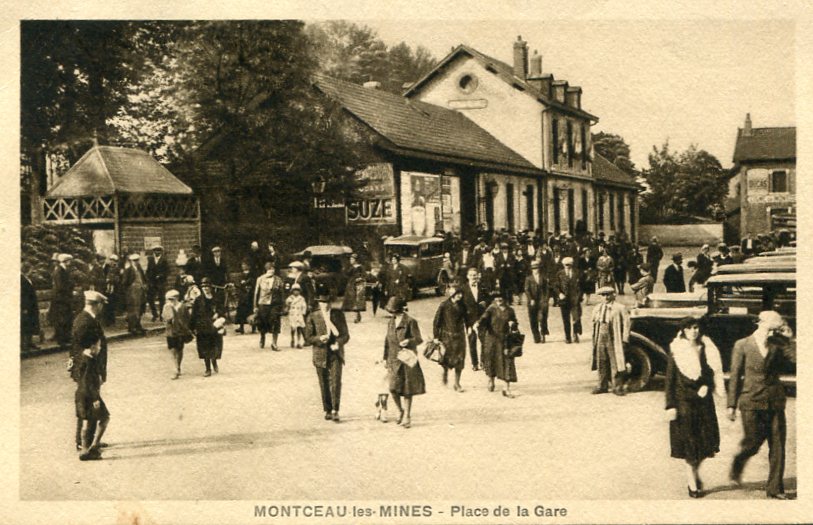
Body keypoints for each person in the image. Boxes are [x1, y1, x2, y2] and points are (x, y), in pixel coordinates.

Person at [727, 311, 796, 499]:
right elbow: (735, 375)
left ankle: (775, 488)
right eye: (778, 319)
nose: (781, 321)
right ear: (764, 322)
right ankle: (738, 462)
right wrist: (731, 404)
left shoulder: (779, 343)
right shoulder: (742, 344)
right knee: (753, 442)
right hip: (751, 400)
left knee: (778, 444)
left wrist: (790, 340)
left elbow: (797, 360)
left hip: (775, 400)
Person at [665, 316, 723, 498]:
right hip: (684, 403)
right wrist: (670, 405)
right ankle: (692, 482)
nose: (693, 331)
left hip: (703, 402)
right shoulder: (677, 350)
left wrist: (707, 385)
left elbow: (710, 371)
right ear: (683, 331)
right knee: (689, 442)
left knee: (705, 442)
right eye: (689, 328)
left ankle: (695, 473)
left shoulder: (706, 348)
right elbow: (670, 380)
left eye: (696, 327)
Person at [71, 291, 109, 460]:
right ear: (97, 304)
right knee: (90, 405)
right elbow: (82, 346)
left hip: (89, 366)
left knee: (86, 405)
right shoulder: (85, 321)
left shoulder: (86, 318)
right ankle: (84, 444)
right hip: (88, 367)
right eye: (101, 305)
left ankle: (85, 441)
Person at [305, 284, 350, 422]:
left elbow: (345, 335)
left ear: (330, 302)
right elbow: (308, 337)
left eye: (327, 302)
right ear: (318, 303)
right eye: (322, 302)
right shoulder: (313, 316)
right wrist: (319, 338)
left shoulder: (338, 314)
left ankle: (336, 410)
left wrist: (339, 343)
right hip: (320, 354)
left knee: (336, 381)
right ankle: (328, 409)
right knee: (323, 383)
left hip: (335, 353)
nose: (325, 305)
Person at [383, 296, 425, 428]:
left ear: (400, 309)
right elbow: (387, 341)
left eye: (394, 311)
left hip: (407, 359)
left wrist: (409, 341)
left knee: (407, 389)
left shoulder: (411, 321)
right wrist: (385, 357)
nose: (392, 313)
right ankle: (400, 410)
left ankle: (407, 415)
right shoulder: (391, 322)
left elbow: (418, 339)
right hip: (393, 358)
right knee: (392, 388)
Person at [477, 290, 519, 397]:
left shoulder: (510, 310)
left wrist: (513, 324)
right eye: (496, 298)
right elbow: (483, 319)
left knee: (507, 363)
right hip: (491, 339)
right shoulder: (491, 309)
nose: (499, 300)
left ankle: (506, 388)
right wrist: (478, 324)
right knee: (491, 361)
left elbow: (515, 324)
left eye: (501, 297)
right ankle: (491, 380)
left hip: (505, 340)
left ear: (505, 298)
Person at [590, 287, 630, 396]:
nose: (606, 297)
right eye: (603, 295)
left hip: (613, 336)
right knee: (601, 360)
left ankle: (617, 387)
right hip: (600, 335)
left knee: (615, 362)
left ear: (613, 295)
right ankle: (602, 385)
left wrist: (625, 339)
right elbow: (594, 323)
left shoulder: (620, 308)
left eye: (608, 295)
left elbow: (626, 325)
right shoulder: (597, 308)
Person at [432, 285, 467, 392]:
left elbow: (467, 319)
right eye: (457, 294)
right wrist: (436, 337)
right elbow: (436, 322)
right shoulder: (444, 305)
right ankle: (445, 372)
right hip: (447, 337)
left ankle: (457, 383)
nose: (459, 296)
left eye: (461, 294)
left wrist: (469, 327)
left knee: (460, 360)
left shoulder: (462, 305)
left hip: (460, 336)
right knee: (446, 359)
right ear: (452, 294)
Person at [190, 277, 225, 376]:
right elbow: (194, 314)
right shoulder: (198, 300)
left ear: (211, 287)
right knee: (204, 348)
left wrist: (218, 313)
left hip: (214, 325)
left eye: (207, 286)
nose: (205, 288)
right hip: (203, 327)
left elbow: (222, 310)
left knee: (214, 346)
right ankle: (207, 369)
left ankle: (214, 361)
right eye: (203, 286)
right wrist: (192, 327)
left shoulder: (216, 298)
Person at [461, 267, 489, 371]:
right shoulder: (463, 289)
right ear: (467, 277)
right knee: (472, 342)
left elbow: (489, 301)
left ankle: (483, 362)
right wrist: (467, 324)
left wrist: (485, 303)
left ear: (478, 276)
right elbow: (461, 308)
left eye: (475, 275)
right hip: (469, 320)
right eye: (471, 275)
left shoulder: (483, 287)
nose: (473, 277)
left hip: (482, 319)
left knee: (484, 341)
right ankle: (474, 363)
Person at [253, 262, 285, 350]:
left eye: (273, 269)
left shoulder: (278, 279)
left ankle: (274, 343)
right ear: (266, 270)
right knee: (262, 322)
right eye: (269, 269)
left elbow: (282, 293)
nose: (271, 270)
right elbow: (256, 293)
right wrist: (255, 306)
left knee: (275, 321)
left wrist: (283, 305)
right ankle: (262, 337)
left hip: (275, 304)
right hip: (263, 303)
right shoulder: (260, 279)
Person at [163, 289, 192, 380]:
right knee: (172, 350)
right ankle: (175, 369)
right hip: (170, 332)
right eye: (168, 299)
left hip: (180, 332)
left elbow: (187, 319)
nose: (170, 301)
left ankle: (178, 366)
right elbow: (164, 319)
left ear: (177, 298)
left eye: (172, 299)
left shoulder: (182, 307)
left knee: (179, 350)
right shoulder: (167, 307)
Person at [554, 257, 582, 344]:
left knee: (576, 318)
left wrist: (579, 296)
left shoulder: (577, 273)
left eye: (569, 265)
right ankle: (568, 337)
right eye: (566, 265)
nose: (568, 267)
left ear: (572, 264)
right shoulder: (559, 274)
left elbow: (581, 286)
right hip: (564, 300)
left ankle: (575, 334)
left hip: (575, 299)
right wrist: (559, 294)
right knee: (566, 319)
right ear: (563, 265)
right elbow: (555, 286)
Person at [51, 253, 76, 351]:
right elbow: (60, 286)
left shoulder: (64, 270)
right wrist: (70, 291)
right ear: (65, 261)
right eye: (69, 261)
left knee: (66, 318)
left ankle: (66, 338)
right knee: (62, 319)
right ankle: (62, 340)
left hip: (65, 299)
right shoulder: (59, 271)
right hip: (61, 299)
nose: (70, 263)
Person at [121, 253, 147, 335]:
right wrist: (128, 291)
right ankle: (132, 327)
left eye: (137, 260)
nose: (136, 262)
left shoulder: (139, 269)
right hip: (132, 293)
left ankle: (138, 325)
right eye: (134, 261)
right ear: (131, 261)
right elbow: (124, 282)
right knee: (132, 310)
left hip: (140, 291)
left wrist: (145, 285)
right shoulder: (128, 270)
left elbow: (143, 279)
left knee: (140, 309)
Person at [524, 261, 549, 344]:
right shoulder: (528, 278)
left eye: (537, 268)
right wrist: (531, 299)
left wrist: (546, 299)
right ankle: (536, 336)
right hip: (532, 301)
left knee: (542, 318)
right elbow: (526, 290)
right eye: (534, 268)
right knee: (533, 319)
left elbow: (547, 289)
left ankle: (543, 334)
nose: (535, 270)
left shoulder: (543, 278)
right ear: (531, 269)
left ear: (539, 269)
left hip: (541, 300)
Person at [342, 253, 367, 323]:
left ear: (356, 260)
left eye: (352, 259)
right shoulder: (351, 267)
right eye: (350, 259)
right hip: (351, 285)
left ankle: (356, 316)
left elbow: (364, 275)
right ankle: (357, 315)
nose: (351, 260)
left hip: (358, 285)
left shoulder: (360, 267)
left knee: (357, 300)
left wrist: (360, 278)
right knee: (352, 300)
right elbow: (346, 275)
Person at [146, 246, 169, 322]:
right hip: (152, 282)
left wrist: (161, 275)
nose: (157, 252)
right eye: (155, 251)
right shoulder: (151, 260)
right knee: (150, 298)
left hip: (161, 282)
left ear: (161, 252)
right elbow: (148, 270)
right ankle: (154, 314)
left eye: (158, 251)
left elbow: (167, 271)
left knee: (161, 299)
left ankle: (162, 315)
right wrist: (148, 279)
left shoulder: (164, 260)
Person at [234, 261, 255, 334]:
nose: (243, 266)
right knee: (241, 311)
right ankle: (241, 327)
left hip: (250, 295)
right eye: (242, 265)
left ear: (249, 266)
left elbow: (253, 283)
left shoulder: (252, 274)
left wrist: (246, 282)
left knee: (251, 310)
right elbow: (238, 284)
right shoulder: (241, 275)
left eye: (245, 265)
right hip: (242, 295)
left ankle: (253, 326)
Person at [21, 271, 40, 352]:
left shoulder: (27, 278)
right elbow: (22, 294)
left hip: (31, 306)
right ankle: (24, 344)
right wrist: (24, 307)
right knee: (25, 325)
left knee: (31, 324)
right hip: (27, 306)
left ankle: (30, 342)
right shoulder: (21, 278)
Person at [285, 284, 308, 348]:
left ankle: (298, 342)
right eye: (294, 290)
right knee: (293, 328)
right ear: (292, 291)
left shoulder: (301, 298)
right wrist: (288, 304)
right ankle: (292, 339)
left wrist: (303, 312)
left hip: (299, 314)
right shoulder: (290, 298)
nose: (296, 292)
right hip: (293, 314)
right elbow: (287, 304)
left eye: (297, 290)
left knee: (299, 328)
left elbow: (304, 305)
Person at [102, 254, 121, 326]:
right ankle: (107, 320)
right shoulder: (107, 268)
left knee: (112, 305)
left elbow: (118, 279)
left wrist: (112, 280)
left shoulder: (118, 269)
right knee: (106, 304)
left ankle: (111, 320)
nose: (112, 262)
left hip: (114, 289)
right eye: (111, 260)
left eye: (114, 261)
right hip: (107, 288)